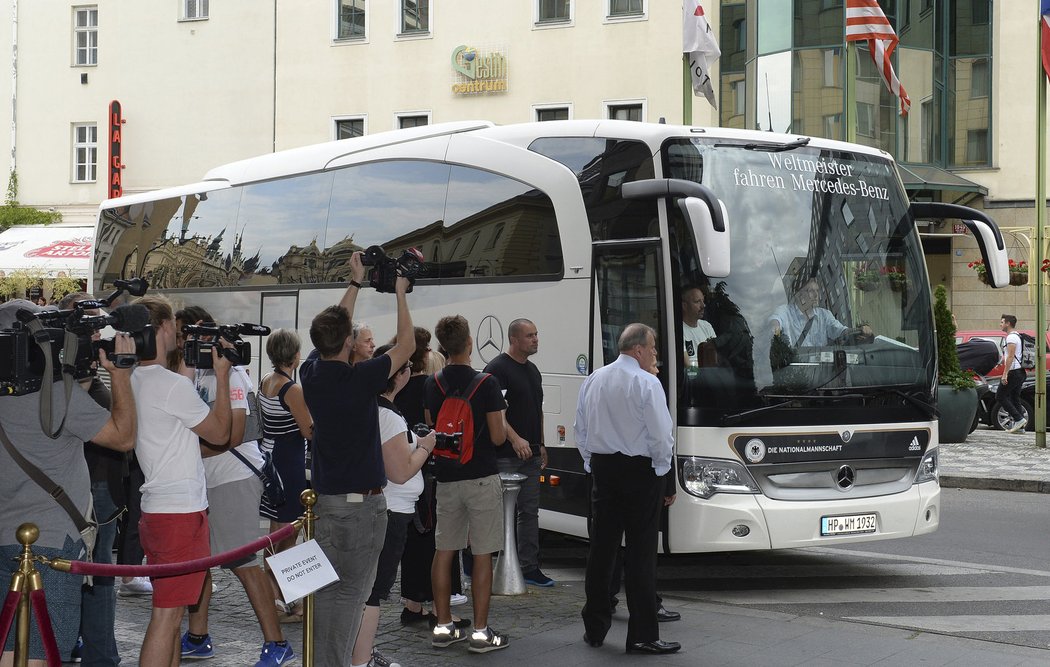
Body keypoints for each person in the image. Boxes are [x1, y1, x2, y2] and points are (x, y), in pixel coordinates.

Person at [0, 300, 136, 667]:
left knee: (8, 648)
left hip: (4, 539)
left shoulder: (36, 394)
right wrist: (121, 374)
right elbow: (123, 437)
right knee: (45, 652)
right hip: (53, 546)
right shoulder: (57, 397)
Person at [299, 253, 415, 667]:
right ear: (349, 342)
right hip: (362, 508)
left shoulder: (310, 374)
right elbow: (408, 346)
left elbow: (331, 334)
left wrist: (355, 284)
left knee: (327, 593)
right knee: (351, 595)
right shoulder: (359, 378)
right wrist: (400, 293)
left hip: (327, 504)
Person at [176, 305, 294, 667]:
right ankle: (198, 636)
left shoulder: (233, 376)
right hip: (206, 482)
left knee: (244, 563)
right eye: (182, 336)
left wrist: (182, 451)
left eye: (189, 336)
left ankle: (277, 644)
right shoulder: (193, 374)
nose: (183, 342)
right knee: (200, 562)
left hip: (233, 480)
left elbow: (233, 435)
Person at [129, 295, 233, 667]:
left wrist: (188, 372)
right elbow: (221, 433)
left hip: (157, 509)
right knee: (166, 617)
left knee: (169, 616)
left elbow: (171, 404)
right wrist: (222, 376)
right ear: (161, 329)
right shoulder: (171, 387)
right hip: (179, 515)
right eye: (172, 322)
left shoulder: (135, 378)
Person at [575, 323, 680, 655]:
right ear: (638, 350)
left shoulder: (595, 378)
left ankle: (594, 626)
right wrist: (663, 472)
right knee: (641, 555)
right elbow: (661, 435)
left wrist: (592, 462)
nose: (654, 354)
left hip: (605, 470)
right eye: (652, 348)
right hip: (640, 472)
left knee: (601, 551)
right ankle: (642, 634)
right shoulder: (647, 382)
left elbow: (581, 427)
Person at [424, 315, 509, 653]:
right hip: (481, 477)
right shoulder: (486, 383)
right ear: (470, 343)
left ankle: (443, 626)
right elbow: (499, 436)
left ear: (443, 347)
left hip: (446, 478)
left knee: (444, 550)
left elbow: (432, 429)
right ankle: (481, 632)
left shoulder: (433, 383)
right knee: (482, 553)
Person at [351, 343, 438, 667]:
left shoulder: (368, 406)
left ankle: (359, 654)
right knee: (374, 591)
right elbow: (401, 472)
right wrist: (426, 447)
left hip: (380, 507)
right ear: (399, 375)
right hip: (389, 509)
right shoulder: (386, 414)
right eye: (407, 368)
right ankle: (362, 659)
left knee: (366, 588)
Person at [58, 292, 127, 667]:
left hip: (98, 488)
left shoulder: (82, 386)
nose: (97, 337)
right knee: (88, 576)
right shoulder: (65, 387)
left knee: (97, 576)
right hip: (80, 489)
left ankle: (98, 652)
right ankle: (93, 651)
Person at [483, 318, 553, 587]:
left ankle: (529, 566)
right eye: (529, 335)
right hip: (505, 453)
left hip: (532, 454)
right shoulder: (498, 369)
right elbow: (495, 412)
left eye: (536, 334)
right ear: (514, 339)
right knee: (499, 511)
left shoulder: (533, 371)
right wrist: (514, 439)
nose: (535, 339)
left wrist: (541, 443)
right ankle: (490, 563)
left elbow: (539, 409)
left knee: (530, 511)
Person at [258, 328, 313, 622]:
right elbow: (309, 431)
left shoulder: (267, 381)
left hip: (270, 459)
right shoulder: (292, 389)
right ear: (294, 355)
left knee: (273, 533)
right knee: (290, 534)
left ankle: (274, 596)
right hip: (289, 464)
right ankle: (292, 600)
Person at [770, 277, 871, 347]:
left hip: (820, 371)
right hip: (794, 367)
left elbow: (841, 331)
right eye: (810, 291)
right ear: (798, 294)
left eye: (817, 291)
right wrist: (775, 326)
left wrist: (859, 330)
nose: (816, 295)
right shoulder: (785, 311)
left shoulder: (824, 315)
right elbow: (776, 319)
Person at [997, 314, 1027, 433]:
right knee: (1014, 397)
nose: (1000, 324)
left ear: (1008, 323)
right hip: (1020, 372)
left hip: (1014, 372)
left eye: (1002, 322)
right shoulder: (1016, 336)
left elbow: (1010, 356)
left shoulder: (1011, 338)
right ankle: (1020, 427)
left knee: (1000, 396)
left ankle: (1019, 419)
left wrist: (1005, 374)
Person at [681, 286, 715, 368]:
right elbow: (688, 367)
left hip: (711, 377)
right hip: (694, 379)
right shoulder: (678, 330)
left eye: (703, 301)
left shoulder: (706, 326)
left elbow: (716, 356)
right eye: (697, 302)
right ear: (684, 306)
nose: (703, 306)